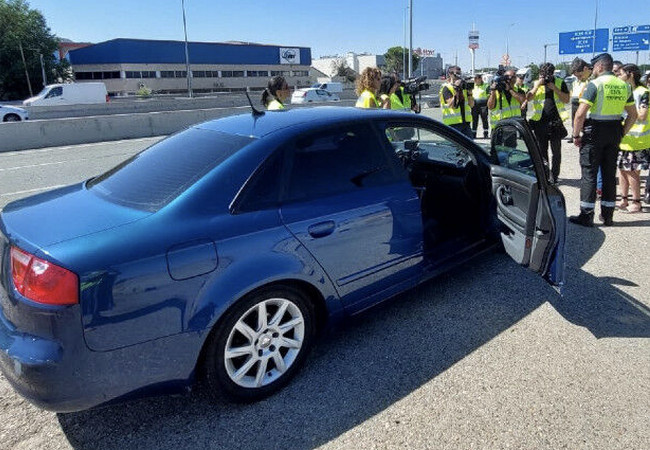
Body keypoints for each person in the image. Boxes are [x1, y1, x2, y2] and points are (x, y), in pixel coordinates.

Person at [570, 53, 637, 227]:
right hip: (614, 131)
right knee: (609, 175)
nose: (593, 70)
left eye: (594, 67)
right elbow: (633, 114)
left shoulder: (595, 84)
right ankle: (608, 216)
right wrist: (622, 132)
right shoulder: (624, 86)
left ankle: (586, 216)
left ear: (600, 66)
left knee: (589, 174)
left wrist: (576, 135)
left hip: (594, 133)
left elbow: (580, 114)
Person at [526, 63, 570, 184]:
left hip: (556, 122)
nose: (546, 76)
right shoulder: (536, 83)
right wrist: (537, 85)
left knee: (556, 152)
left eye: (548, 74)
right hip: (540, 123)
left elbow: (566, 99)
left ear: (552, 73)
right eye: (543, 74)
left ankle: (554, 176)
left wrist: (554, 88)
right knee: (542, 152)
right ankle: (545, 176)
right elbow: (528, 98)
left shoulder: (560, 82)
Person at [616, 64, 649, 213]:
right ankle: (624, 199)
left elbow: (642, 115)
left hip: (637, 139)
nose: (619, 76)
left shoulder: (643, 92)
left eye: (621, 74)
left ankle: (636, 201)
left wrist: (627, 110)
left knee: (632, 171)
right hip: (625, 138)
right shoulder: (627, 91)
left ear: (630, 74)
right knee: (622, 170)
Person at [439, 65, 474, 138]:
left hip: (465, 123)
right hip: (453, 124)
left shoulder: (463, 87)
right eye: (457, 74)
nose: (459, 76)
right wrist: (457, 89)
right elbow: (452, 105)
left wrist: (470, 92)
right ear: (450, 74)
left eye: (460, 73)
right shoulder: (446, 88)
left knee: (469, 144)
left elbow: (471, 105)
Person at [568, 58, 592, 143]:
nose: (579, 78)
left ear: (585, 69)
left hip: (587, 104)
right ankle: (575, 135)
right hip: (575, 101)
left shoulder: (594, 80)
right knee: (575, 121)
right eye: (577, 76)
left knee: (584, 124)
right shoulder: (578, 80)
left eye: (580, 75)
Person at [471, 74, 489, 138]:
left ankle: (486, 133)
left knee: (484, 119)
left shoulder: (486, 85)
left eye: (477, 79)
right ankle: (474, 134)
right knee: (474, 119)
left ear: (480, 79)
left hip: (483, 105)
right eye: (475, 79)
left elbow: (489, 95)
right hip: (474, 105)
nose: (476, 80)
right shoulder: (473, 86)